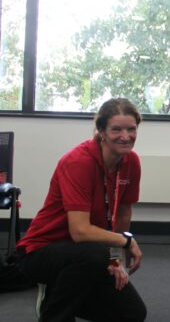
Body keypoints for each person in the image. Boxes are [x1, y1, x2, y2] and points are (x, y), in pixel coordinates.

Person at [17, 98, 146, 322]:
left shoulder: (131, 162)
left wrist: (115, 259)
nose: (126, 136)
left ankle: (57, 294)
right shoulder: (78, 162)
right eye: (116, 129)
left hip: (89, 254)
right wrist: (126, 241)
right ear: (101, 131)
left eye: (131, 129)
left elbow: (123, 213)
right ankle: (53, 314)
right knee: (93, 256)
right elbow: (79, 231)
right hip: (42, 251)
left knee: (132, 313)